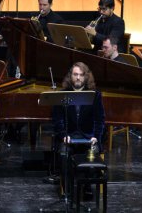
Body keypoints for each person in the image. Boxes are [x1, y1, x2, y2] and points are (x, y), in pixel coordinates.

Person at [52, 62, 105, 200]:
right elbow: (57, 120)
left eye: (81, 75)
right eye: (75, 74)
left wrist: (96, 137)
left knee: (93, 152)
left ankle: (87, 187)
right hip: (69, 137)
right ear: (71, 76)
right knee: (63, 153)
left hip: (88, 137)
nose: (78, 78)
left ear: (86, 77)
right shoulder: (61, 94)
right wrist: (63, 135)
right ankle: (67, 189)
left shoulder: (95, 95)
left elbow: (100, 120)